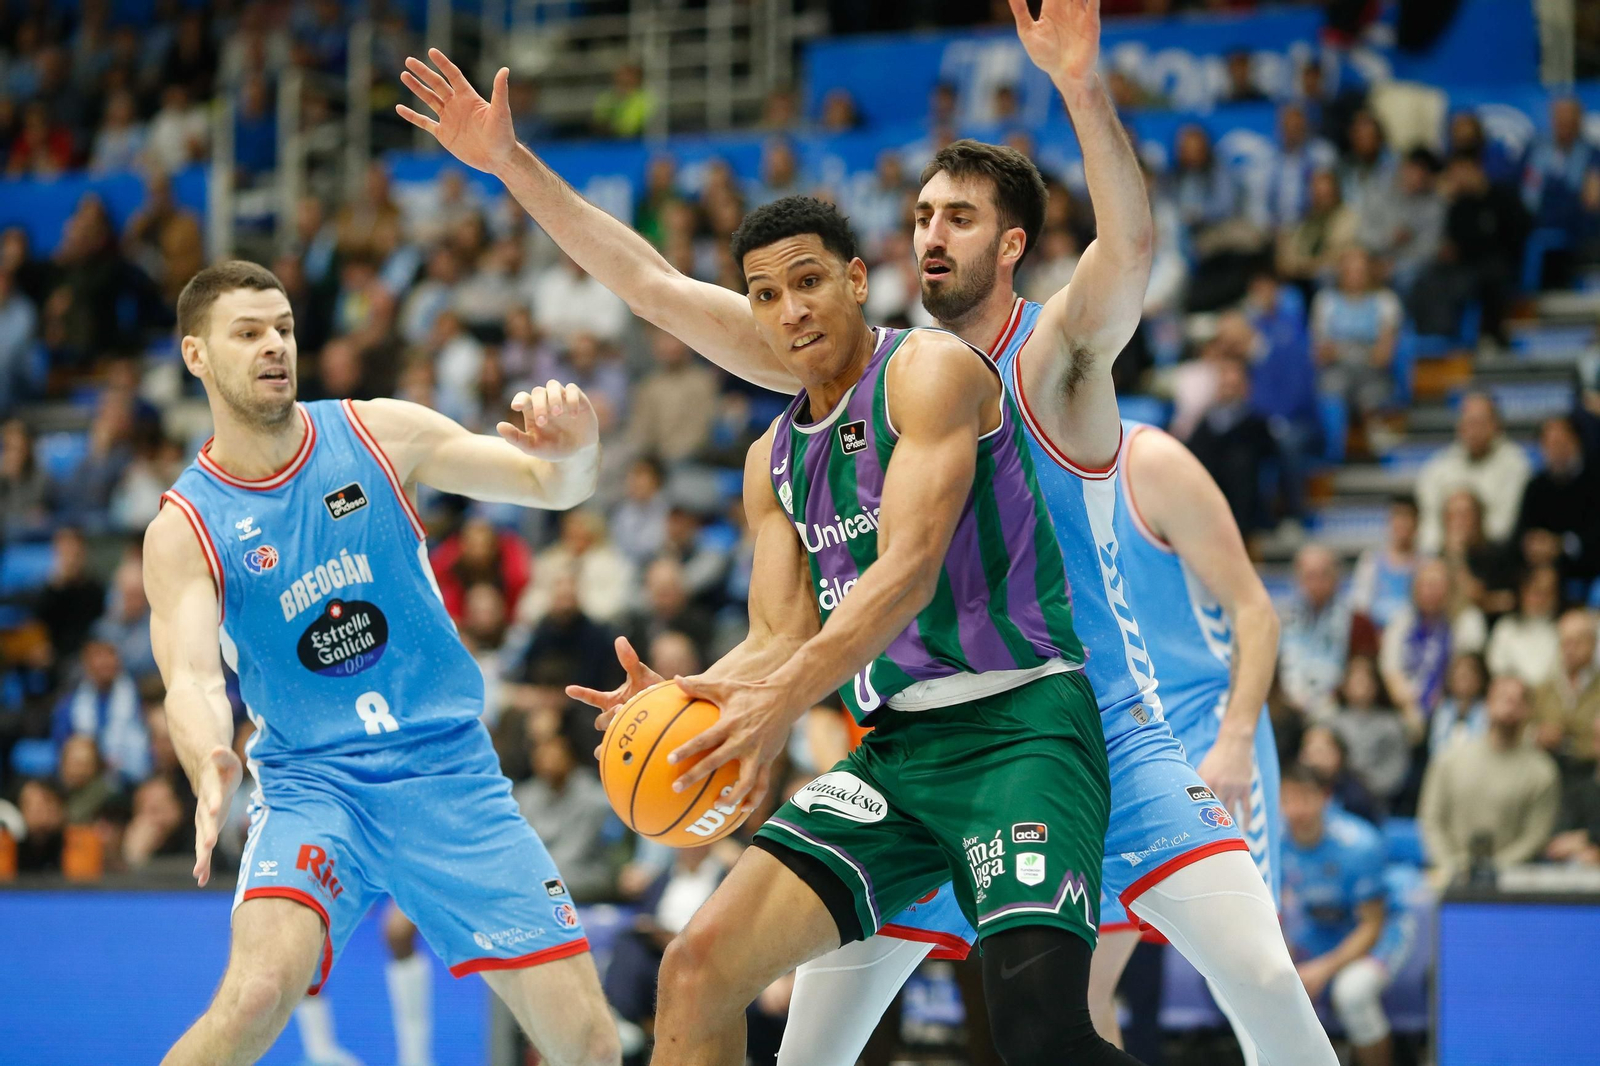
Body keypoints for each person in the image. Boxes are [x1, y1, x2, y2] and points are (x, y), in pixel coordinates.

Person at [401, 14, 1330, 1061]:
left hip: (1077, 719)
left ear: (1010, 245)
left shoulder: (1053, 357)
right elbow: (652, 288)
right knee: (778, 1016)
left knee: (1244, 985)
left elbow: (1131, 250)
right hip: (908, 741)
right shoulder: (833, 378)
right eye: (921, 214)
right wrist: (509, 163)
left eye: (960, 217)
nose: (932, 233)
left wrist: (1079, 84)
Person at [144, 261, 618, 1066]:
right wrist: (208, 756)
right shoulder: (187, 525)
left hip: (448, 771)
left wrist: (577, 454)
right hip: (314, 784)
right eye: (248, 333)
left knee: (591, 1044)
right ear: (196, 355)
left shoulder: (378, 433)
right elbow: (189, 679)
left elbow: (548, 483)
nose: (274, 346)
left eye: (284, 328)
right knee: (256, 995)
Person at [1280, 764, 1410, 1066]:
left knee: (1352, 993)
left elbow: (1372, 925)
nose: (1295, 810)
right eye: (1286, 799)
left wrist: (1322, 970)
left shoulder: (1359, 844)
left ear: (1325, 797)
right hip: (1321, 929)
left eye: (1304, 798)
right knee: (1274, 984)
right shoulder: (1275, 841)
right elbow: (1274, 912)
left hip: (1382, 931)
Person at [1418, 676, 1562, 883]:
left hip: (1511, 882)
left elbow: (1535, 836)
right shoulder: (1448, 760)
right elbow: (1431, 820)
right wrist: (1450, 866)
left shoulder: (1542, 771)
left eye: (1517, 700)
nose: (1509, 706)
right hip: (1449, 877)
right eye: (1503, 697)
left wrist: (1492, 871)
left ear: (1529, 710)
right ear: (1487, 703)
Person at [1416, 393, 1531, 554]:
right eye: (1468, 422)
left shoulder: (1515, 464)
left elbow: (1504, 527)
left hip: (1495, 554)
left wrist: (1469, 542)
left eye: (1480, 422)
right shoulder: (1438, 466)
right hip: (1446, 553)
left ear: (1496, 426)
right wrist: (1438, 551)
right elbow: (1430, 523)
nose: (1473, 430)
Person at [1532, 608, 1600, 772]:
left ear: (1592, 643)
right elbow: (1526, 728)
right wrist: (1538, 735)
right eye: (1565, 642)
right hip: (1548, 769)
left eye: (1577, 642)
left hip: (1591, 770)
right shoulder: (1544, 688)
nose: (1570, 649)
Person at [1350, 495, 1420, 630]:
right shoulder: (1371, 560)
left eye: (1407, 517)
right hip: (1376, 632)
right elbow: (1360, 604)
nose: (1402, 523)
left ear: (1416, 522)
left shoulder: (1425, 564)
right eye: (1397, 516)